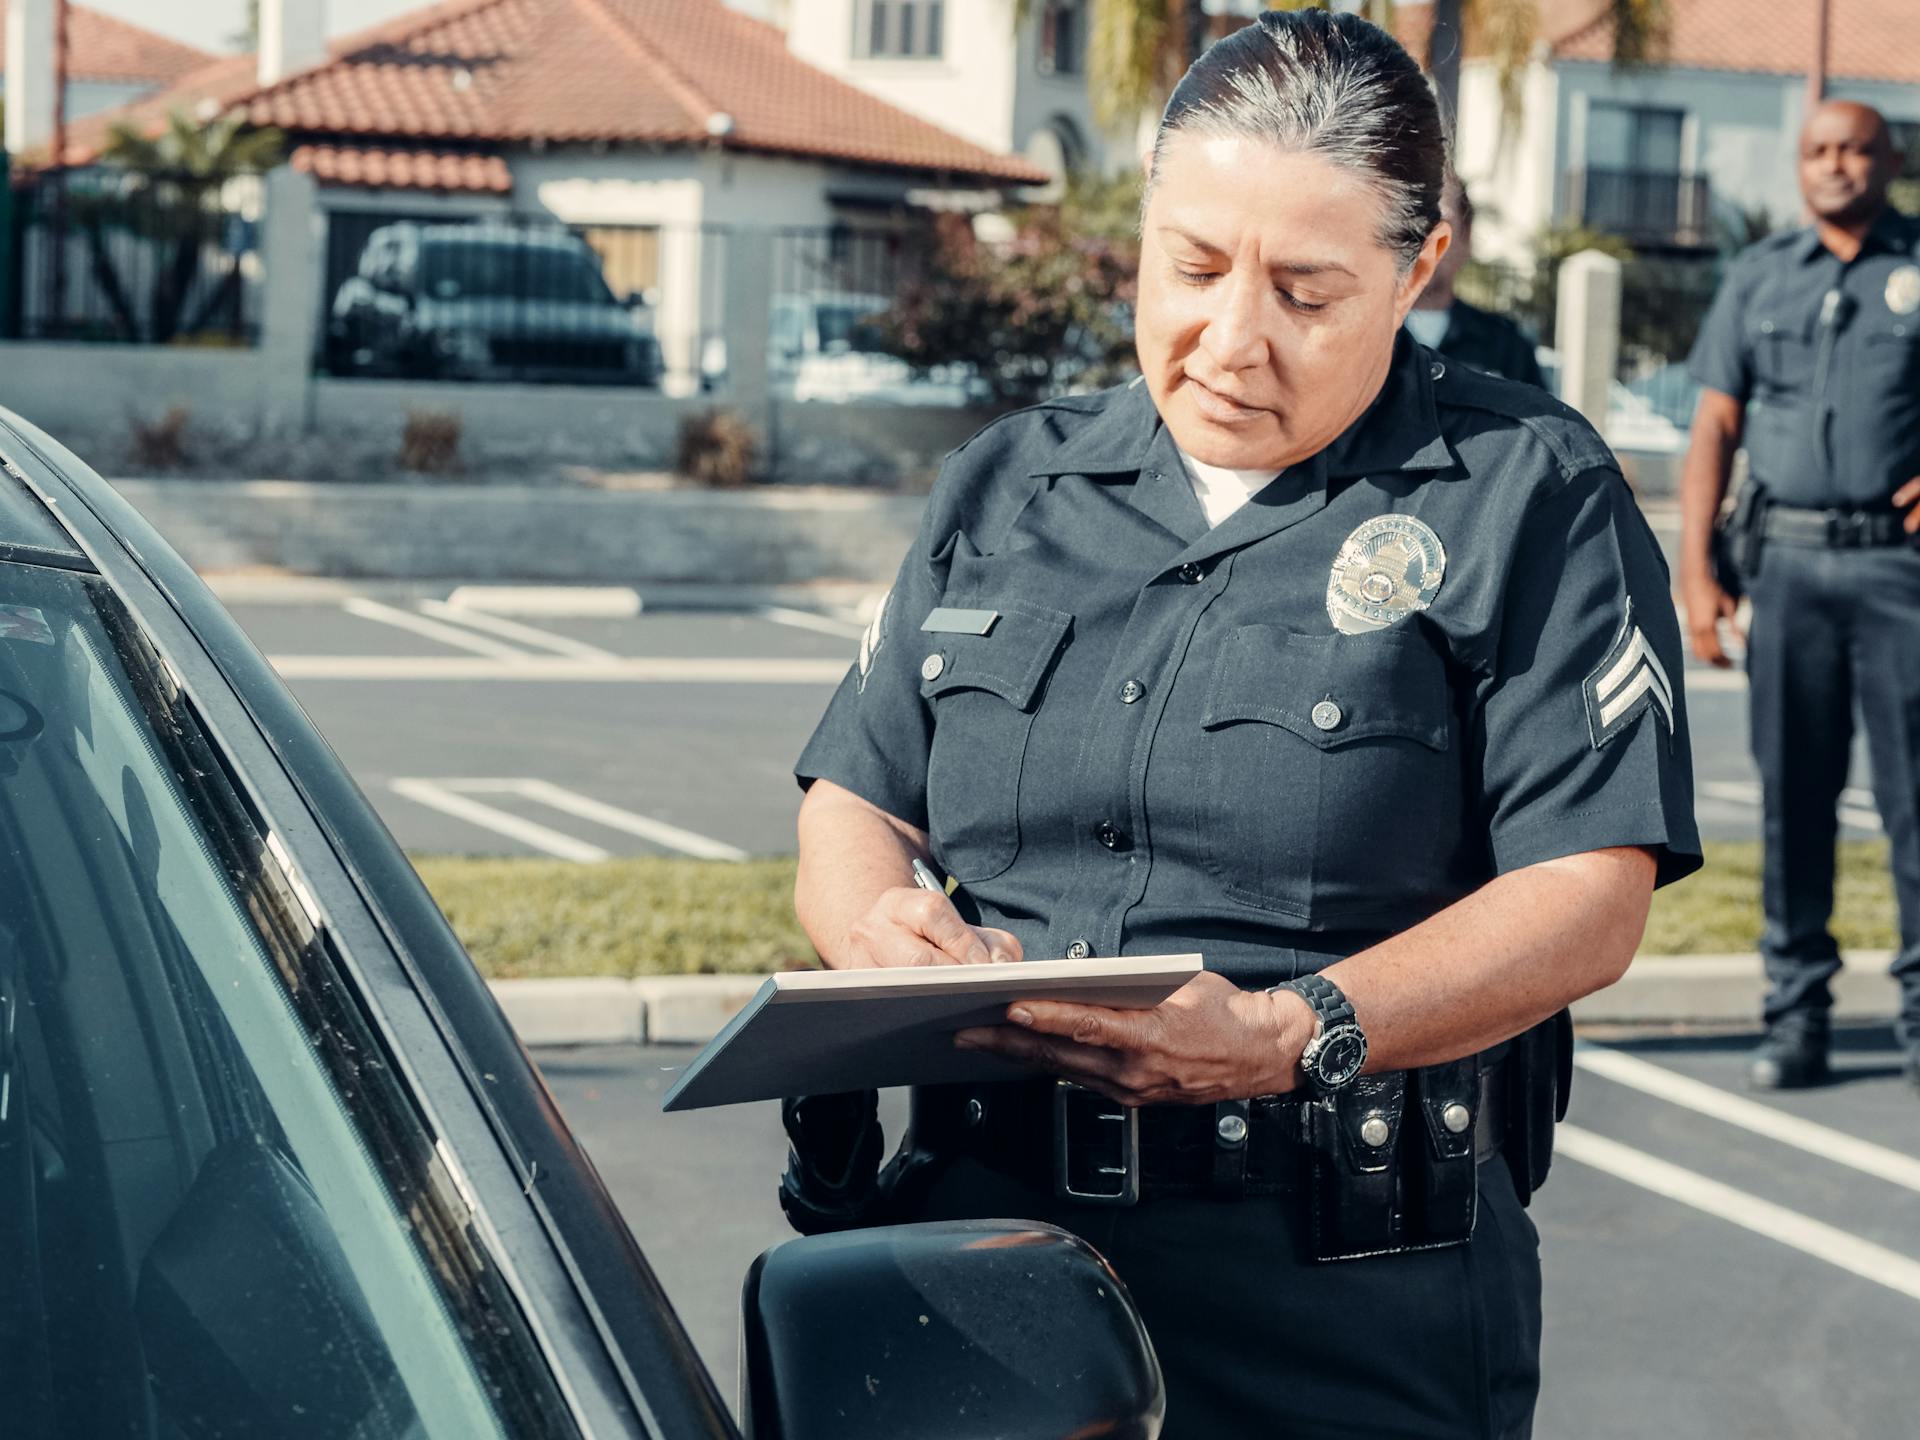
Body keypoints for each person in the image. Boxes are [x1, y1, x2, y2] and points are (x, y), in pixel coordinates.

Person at [790, 11, 1699, 1437]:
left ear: (1419, 272)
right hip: (979, 1260)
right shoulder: (1009, 486)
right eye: (1194, 268)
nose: (1231, 339)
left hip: (1340, 1308)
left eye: (1307, 292)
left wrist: (1292, 1031)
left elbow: (1589, 895)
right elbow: (859, 791)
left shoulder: (1528, 498)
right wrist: (872, 931)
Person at [1680, 100, 1920, 1093]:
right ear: (1799, 164)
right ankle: (1795, 1017)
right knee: (1793, 805)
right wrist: (1696, 574)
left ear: (1890, 159)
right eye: (1819, 150)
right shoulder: (1761, 273)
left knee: (1915, 806)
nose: (1836, 164)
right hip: (1787, 571)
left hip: (1899, 576)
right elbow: (1713, 429)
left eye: (1856, 148)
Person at [1404, 172, 1547, 389]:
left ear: (1466, 236)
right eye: (1414, 219)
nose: (1425, 237)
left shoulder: (1507, 347)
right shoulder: (1358, 336)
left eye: (1439, 221)